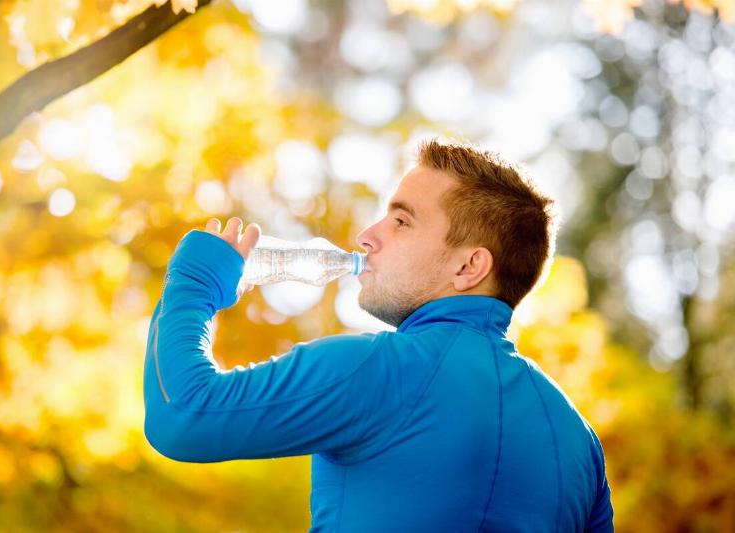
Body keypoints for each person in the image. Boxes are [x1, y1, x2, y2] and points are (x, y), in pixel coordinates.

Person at [143, 138, 615, 532]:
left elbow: (183, 415)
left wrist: (194, 283)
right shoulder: (580, 443)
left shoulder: (378, 369)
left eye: (401, 221)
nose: (368, 236)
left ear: (469, 266)